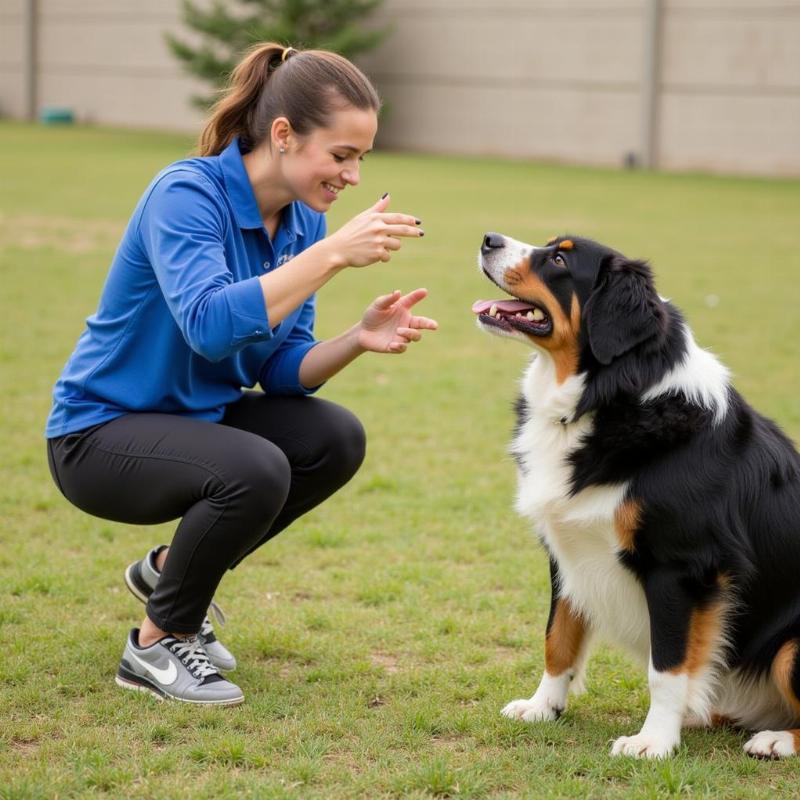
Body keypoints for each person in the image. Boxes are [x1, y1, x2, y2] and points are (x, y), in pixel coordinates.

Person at [45, 42, 437, 706]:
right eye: (341, 156)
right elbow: (207, 325)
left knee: (334, 437)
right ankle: (154, 645)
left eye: (361, 159)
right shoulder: (186, 194)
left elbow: (275, 368)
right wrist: (333, 257)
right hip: (98, 435)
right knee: (253, 469)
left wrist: (357, 338)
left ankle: (170, 577)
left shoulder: (305, 225)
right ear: (282, 135)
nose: (353, 177)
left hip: (194, 422)